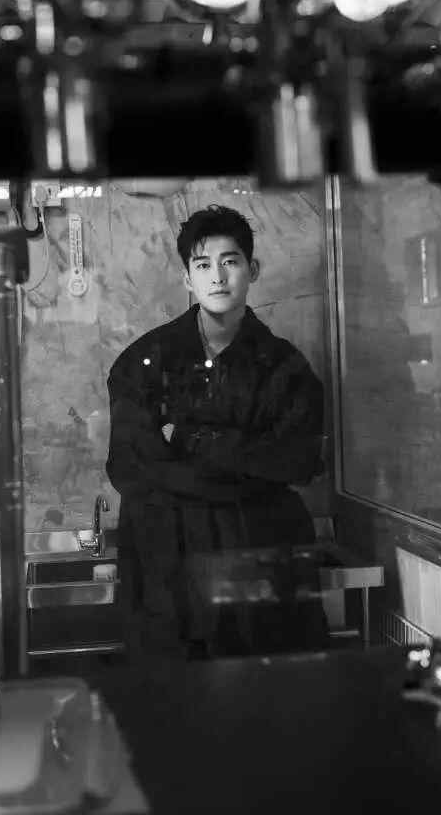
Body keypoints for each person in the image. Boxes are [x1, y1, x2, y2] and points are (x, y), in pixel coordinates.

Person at [106, 205, 327, 660]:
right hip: (168, 552)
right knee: (173, 685)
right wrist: (244, 461)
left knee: (265, 684)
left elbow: (297, 460)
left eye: (230, 262)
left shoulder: (284, 366)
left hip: (257, 545)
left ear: (253, 269)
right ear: (187, 278)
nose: (218, 277)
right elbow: (131, 466)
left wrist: (192, 440)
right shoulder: (145, 361)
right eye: (203, 265)